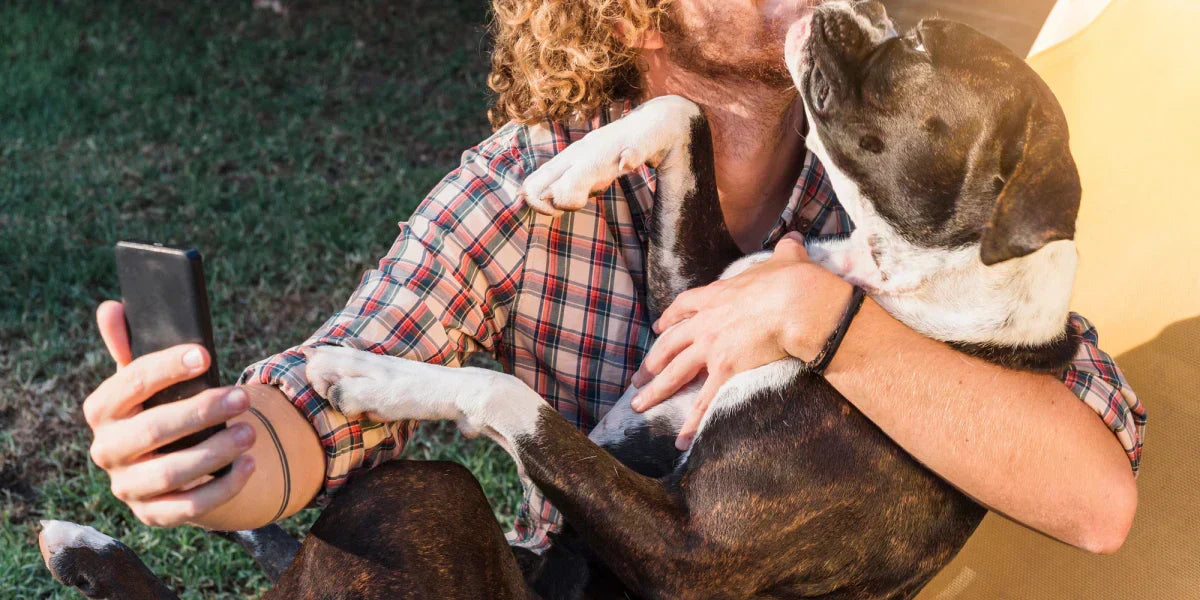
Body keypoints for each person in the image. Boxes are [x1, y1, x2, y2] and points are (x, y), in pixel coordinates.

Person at [83, 0, 1145, 559]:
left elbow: (1097, 499)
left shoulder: (892, 173)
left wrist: (821, 315)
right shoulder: (530, 188)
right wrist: (216, 456)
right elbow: (340, 385)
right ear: (629, 10)